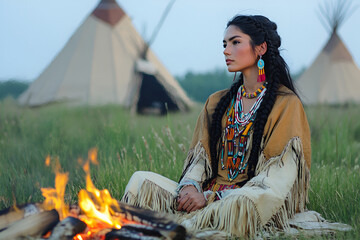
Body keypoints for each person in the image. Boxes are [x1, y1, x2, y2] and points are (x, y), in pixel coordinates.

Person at [121, 15, 345, 238]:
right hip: (207, 195)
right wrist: (190, 186)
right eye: (225, 44)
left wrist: (212, 198)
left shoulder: (286, 104)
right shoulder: (217, 102)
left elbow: (277, 179)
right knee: (141, 180)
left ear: (261, 48)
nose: (226, 50)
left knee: (241, 203)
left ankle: (187, 227)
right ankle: (180, 223)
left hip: (248, 200)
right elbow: (200, 159)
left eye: (235, 42)